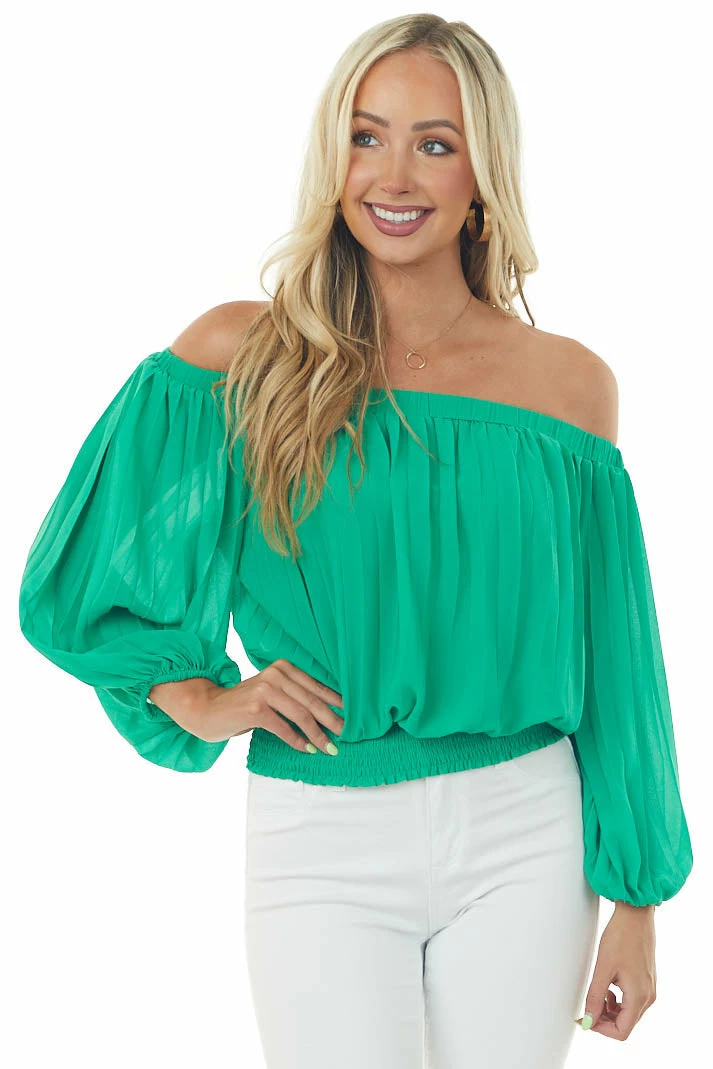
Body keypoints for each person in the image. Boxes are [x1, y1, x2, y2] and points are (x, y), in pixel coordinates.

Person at [18, 13, 693, 1069]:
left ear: (482, 174)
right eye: (365, 136)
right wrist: (200, 696)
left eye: (435, 142)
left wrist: (637, 901)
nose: (394, 175)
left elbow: (618, 662)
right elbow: (86, 583)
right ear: (331, 157)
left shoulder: (568, 388)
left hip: (525, 826)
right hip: (319, 826)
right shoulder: (240, 356)